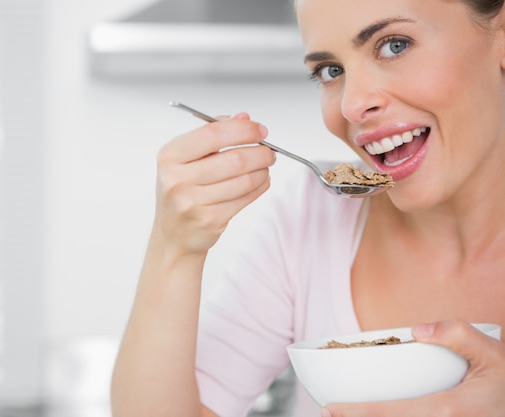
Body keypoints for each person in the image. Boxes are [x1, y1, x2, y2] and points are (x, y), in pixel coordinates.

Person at [110, 0, 505, 415]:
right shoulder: (310, 218)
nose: (353, 105)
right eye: (331, 71)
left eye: (394, 45)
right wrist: (175, 249)